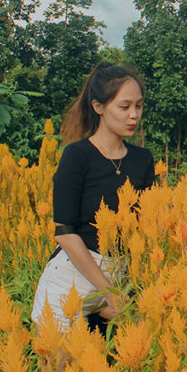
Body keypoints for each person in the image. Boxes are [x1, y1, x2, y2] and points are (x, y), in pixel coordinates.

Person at [31, 62, 155, 332]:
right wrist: (108, 289)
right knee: (60, 371)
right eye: (124, 107)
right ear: (99, 107)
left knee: (133, 358)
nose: (134, 115)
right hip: (71, 281)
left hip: (118, 281)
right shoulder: (77, 156)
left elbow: (148, 219)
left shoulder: (142, 160)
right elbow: (64, 232)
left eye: (139, 106)